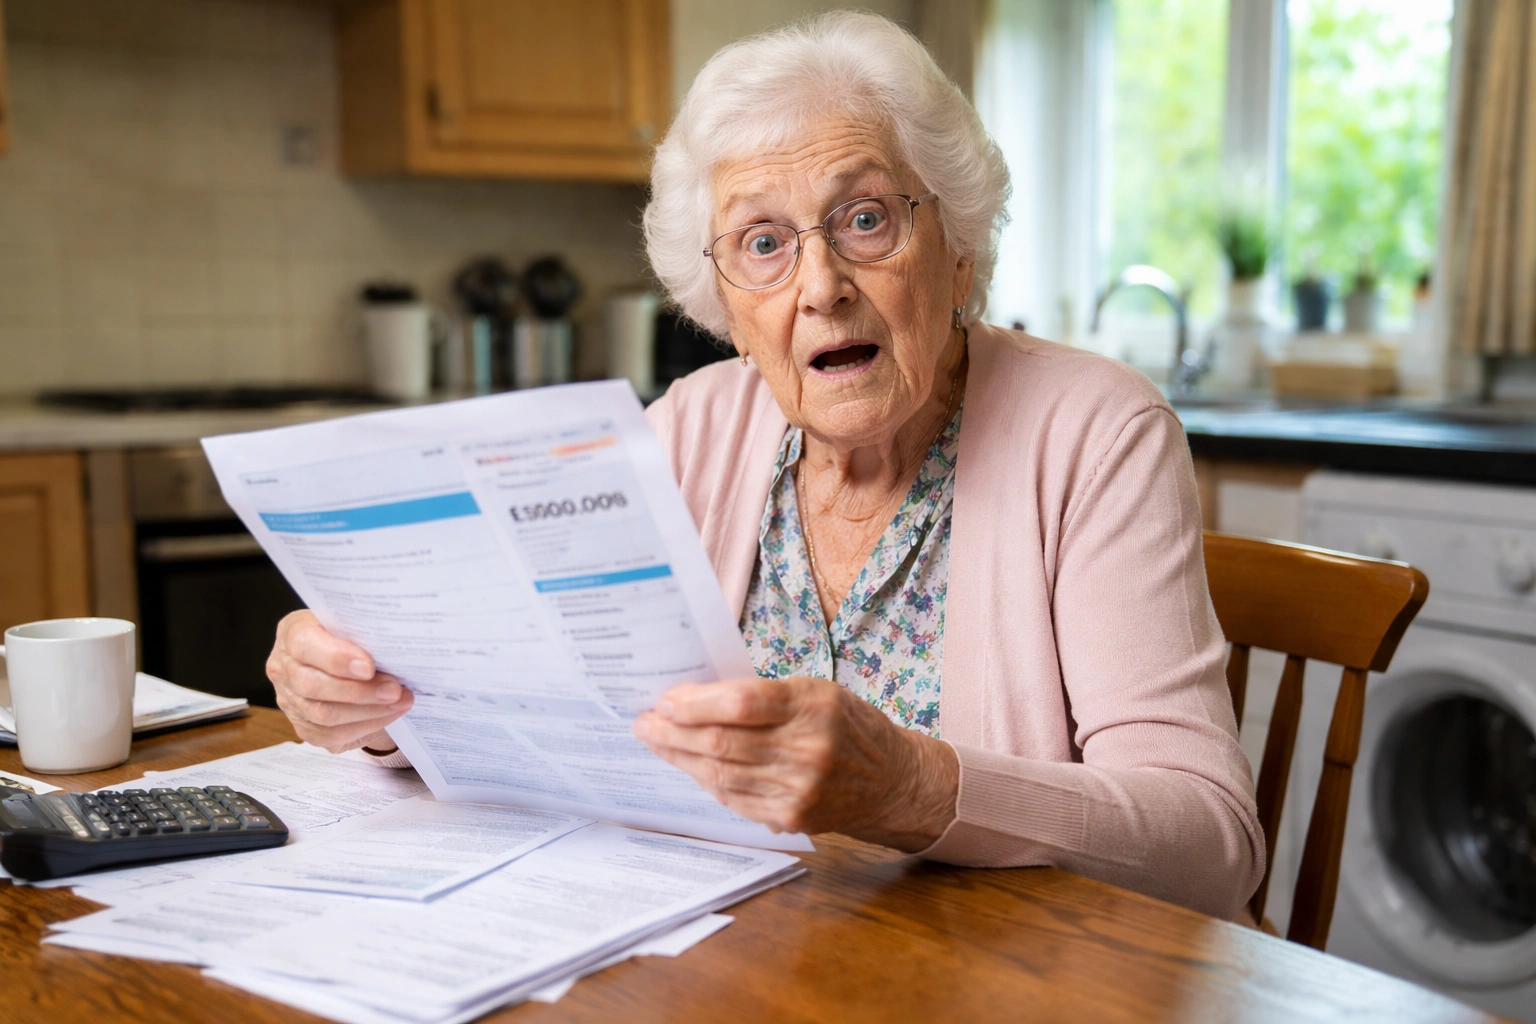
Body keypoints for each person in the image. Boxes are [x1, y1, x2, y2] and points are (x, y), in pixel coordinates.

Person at [265, 12, 1263, 919]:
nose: (820, 286)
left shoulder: (1095, 430)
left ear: (957, 247)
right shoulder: (691, 424)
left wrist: (910, 785)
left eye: (865, 218)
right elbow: (543, 714)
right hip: (744, 958)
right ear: (723, 302)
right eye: (763, 243)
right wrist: (381, 710)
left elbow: (1211, 843)